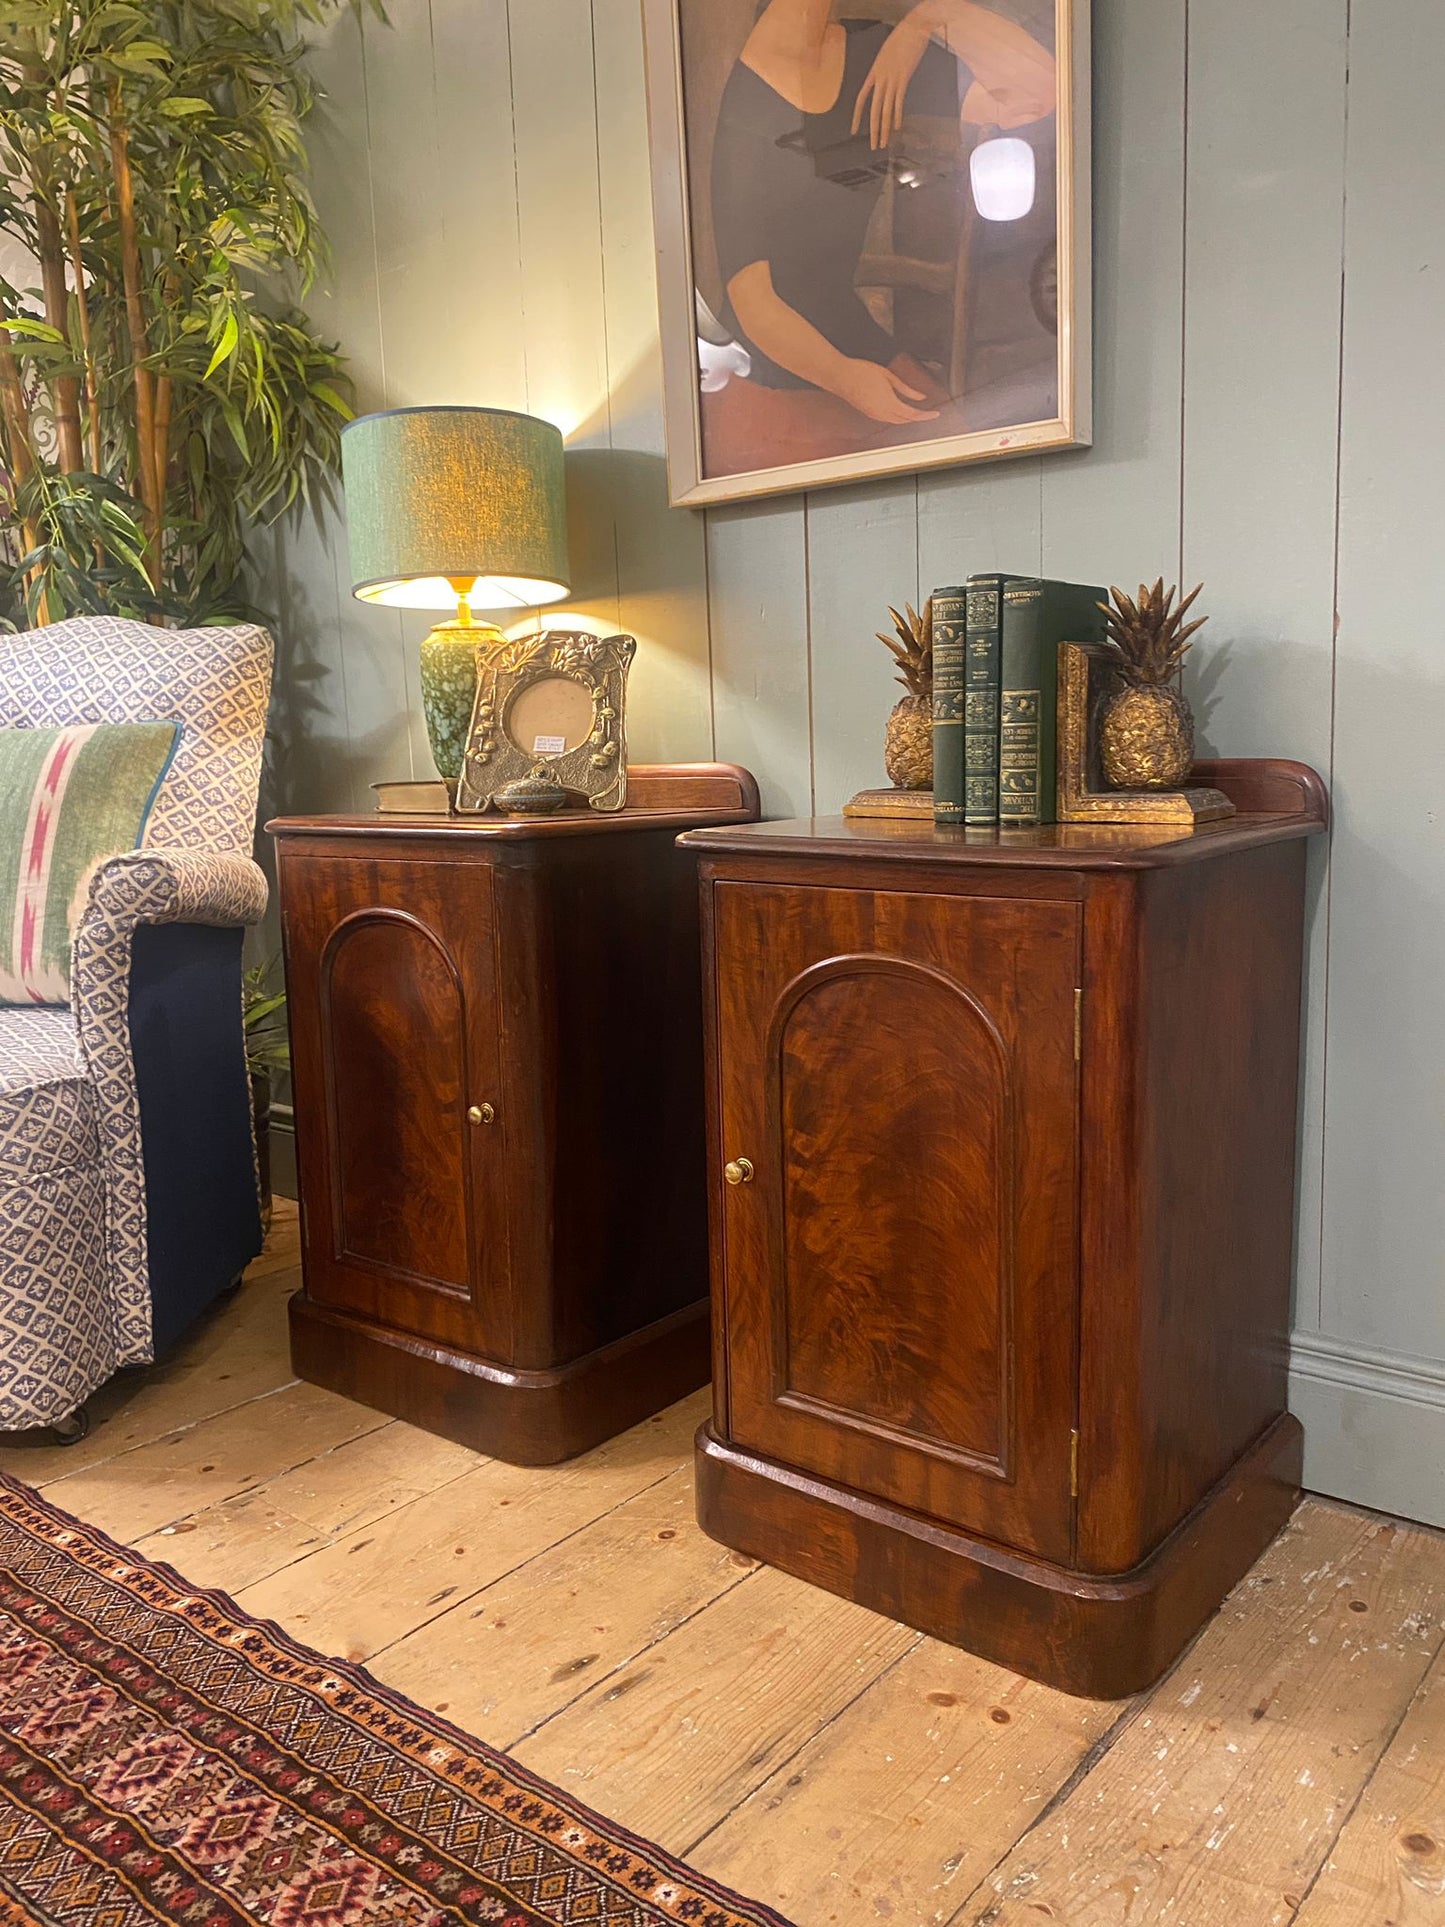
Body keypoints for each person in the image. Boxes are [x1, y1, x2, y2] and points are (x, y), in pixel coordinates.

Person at [710, 0, 1056, 433]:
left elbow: (1039, 93)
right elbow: (752, 301)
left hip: (852, 334)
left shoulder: (871, 52)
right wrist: (844, 378)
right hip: (773, 364)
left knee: (955, 445)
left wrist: (929, 19)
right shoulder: (748, 104)